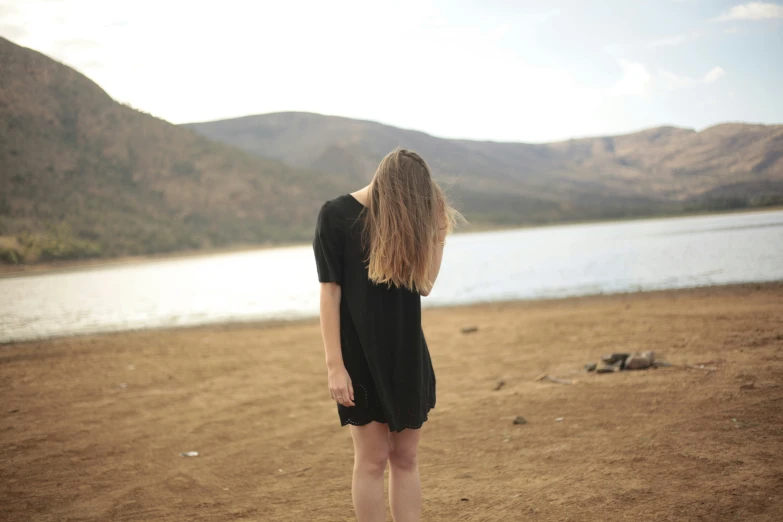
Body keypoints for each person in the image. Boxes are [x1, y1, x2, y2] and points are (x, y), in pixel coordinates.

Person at [313, 148, 460, 522]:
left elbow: (424, 285)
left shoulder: (407, 220)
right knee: (372, 459)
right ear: (390, 189)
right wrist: (334, 367)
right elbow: (330, 293)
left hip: (407, 353)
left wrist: (439, 231)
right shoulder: (335, 216)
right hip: (358, 355)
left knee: (406, 457)